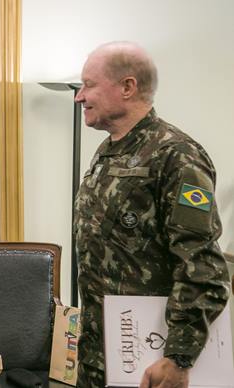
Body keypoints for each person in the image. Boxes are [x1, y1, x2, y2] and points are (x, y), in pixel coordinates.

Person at [73, 41, 231, 388]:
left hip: (149, 364)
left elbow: (204, 269)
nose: (79, 96)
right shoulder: (108, 151)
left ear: (127, 87)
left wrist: (178, 359)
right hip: (100, 358)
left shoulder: (178, 157)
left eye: (89, 84)